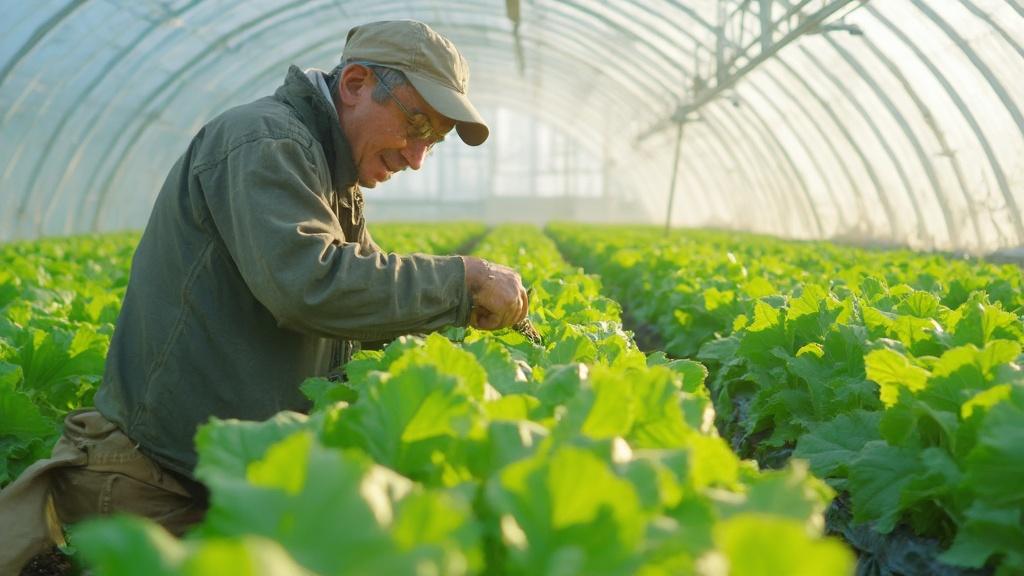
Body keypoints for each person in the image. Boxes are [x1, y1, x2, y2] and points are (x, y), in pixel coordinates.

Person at [0, 19, 528, 573]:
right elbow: (311, 288)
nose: (417, 156)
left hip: (210, 477)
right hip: (156, 487)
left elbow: (362, 300)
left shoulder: (331, 170)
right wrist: (461, 279)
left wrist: (463, 321)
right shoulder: (266, 141)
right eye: (416, 123)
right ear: (354, 84)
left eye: (434, 140)